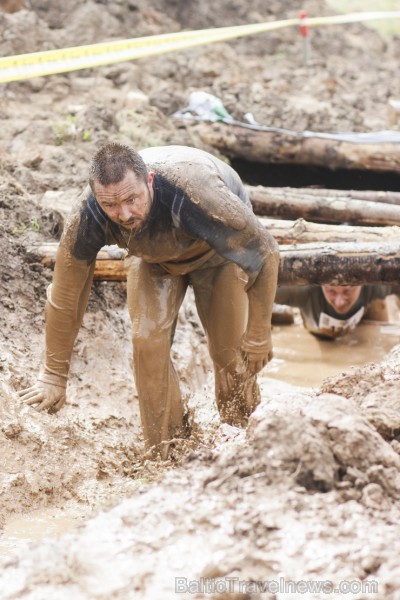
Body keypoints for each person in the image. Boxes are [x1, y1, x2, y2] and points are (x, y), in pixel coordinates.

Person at [18, 143, 279, 456]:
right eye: (111, 205)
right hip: (152, 258)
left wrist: (260, 333)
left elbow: (265, 252)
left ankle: (243, 443)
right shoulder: (88, 214)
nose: (125, 214)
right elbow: (66, 295)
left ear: (150, 181)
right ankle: (165, 452)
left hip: (218, 254)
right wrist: (54, 375)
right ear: (96, 196)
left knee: (229, 352)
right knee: (146, 341)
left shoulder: (199, 194)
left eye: (132, 199)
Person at [274, 284, 400, 339]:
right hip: (316, 327)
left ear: (362, 284)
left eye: (347, 291)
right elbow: (258, 292)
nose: (339, 303)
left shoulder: (374, 285)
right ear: (321, 285)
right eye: (331, 291)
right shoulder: (301, 291)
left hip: (367, 308)